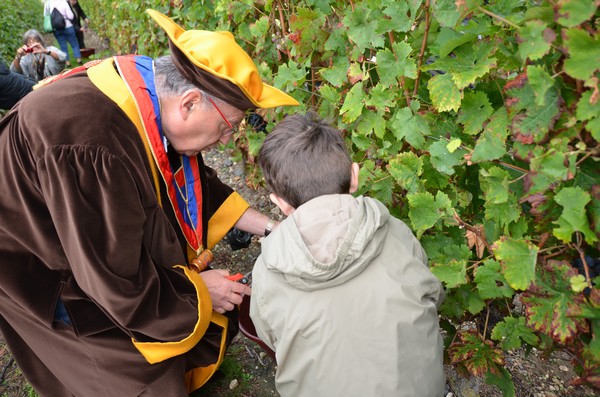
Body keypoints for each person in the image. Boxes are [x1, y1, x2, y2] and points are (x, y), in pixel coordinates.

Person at [0, 9, 297, 397]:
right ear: (190, 103)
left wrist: (276, 228)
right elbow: (113, 279)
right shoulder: (92, 145)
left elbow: (192, 184)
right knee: (129, 370)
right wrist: (199, 292)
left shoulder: (148, 89)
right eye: (228, 127)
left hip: (87, 232)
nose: (228, 141)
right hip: (38, 258)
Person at [249, 112, 446, 397]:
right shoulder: (394, 232)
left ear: (280, 203)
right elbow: (433, 296)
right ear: (354, 176)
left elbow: (269, 336)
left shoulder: (268, 271)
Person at [44, 0, 81, 66]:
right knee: (74, 43)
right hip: (68, 26)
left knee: (63, 46)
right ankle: (78, 59)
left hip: (56, 29)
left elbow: (46, 15)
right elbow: (70, 16)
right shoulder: (63, 2)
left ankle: (67, 62)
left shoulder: (47, 3)